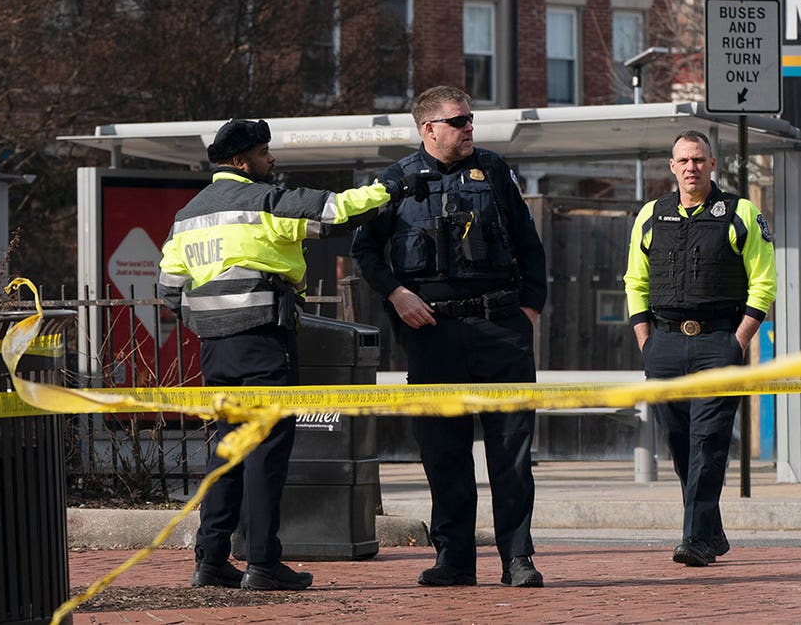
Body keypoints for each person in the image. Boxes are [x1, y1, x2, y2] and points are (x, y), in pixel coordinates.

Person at [158, 118, 434, 591]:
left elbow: (167, 290)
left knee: (227, 450)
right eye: (265, 153)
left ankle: (210, 560)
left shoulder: (188, 214)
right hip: (264, 342)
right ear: (244, 161)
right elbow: (337, 210)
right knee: (266, 451)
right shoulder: (265, 201)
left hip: (216, 351)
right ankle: (263, 564)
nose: (272, 160)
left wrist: (209, 320)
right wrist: (392, 185)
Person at [351, 86, 548, 588]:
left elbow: (529, 244)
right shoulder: (394, 181)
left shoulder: (495, 170)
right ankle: (455, 559)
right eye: (458, 121)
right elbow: (365, 251)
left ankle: (517, 559)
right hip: (433, 331)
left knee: (511, 451)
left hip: (499, 327)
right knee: (443, 453)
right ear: (428, 129)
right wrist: (396, 294)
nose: (468, 129)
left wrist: (528, 309)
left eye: (470, 120)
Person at [622, 129, 777, 567]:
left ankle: (694, 540)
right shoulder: (651, 215)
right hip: (664, 344)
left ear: (712, 164)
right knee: (680, 444)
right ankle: (713, 530)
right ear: (672, 167)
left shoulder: (740, 212)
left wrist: (738, 341)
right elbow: (635, 280)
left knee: (708, 442)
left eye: (699, 159)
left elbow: (764, 281)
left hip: (717, 343)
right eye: (683, 160)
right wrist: (645, 341)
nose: (691, 167)